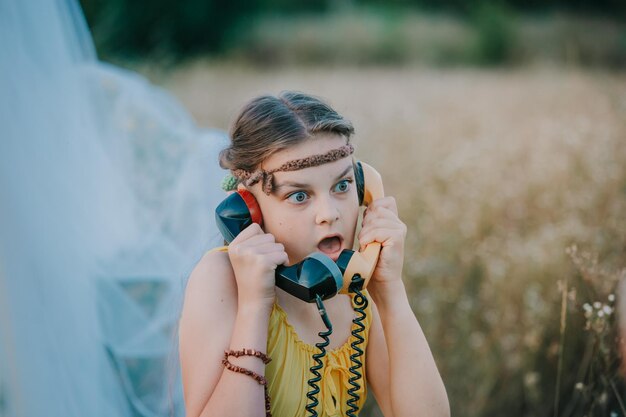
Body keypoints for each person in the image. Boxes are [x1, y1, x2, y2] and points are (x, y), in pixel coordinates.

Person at [178, 91, 450, 417]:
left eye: (342, 186)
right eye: (299, 196)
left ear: (365, 188)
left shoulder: (353, 284)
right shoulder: (220, 279)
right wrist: (254, 307)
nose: (329, 213)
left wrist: (390, 293)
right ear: (249, 209)